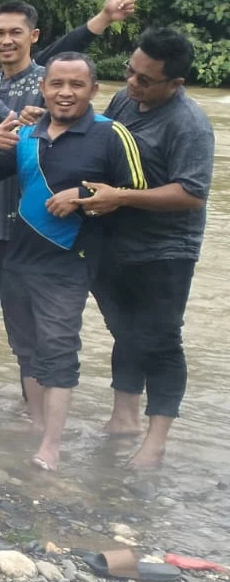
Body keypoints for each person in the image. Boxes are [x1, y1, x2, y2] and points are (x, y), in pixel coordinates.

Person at [0, 0, 140, 387]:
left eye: (16, 32)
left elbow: (58, 137)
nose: (6, 40)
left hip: (34, 221)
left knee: (34, 319)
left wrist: (104, 18)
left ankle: (31, 402)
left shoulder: (51, 81)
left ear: (33, 37)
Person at [0, 55, 146, 471]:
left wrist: (81, 196)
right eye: (57, 85)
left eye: (76, 85)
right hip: (17, 258)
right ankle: (36, 427)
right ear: (44, 89)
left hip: (69, 263)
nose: (65, 93)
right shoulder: (28, 133)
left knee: (59, 351)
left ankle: (51, 446)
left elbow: (134, 194)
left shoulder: (110, 134)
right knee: (25, 348)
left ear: (93, 90)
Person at [83, 27, 215, 469]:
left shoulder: (189, 123)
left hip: (166, 251)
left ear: (176, 83)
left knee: (160, 340)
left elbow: (192, 193)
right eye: (130, 71)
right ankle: (123, 419)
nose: (132, 84)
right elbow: (101, 143)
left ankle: (156, 442)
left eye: (145, 79)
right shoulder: (124, 101)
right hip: (114, 240)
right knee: (125, 332)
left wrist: (119, 197)